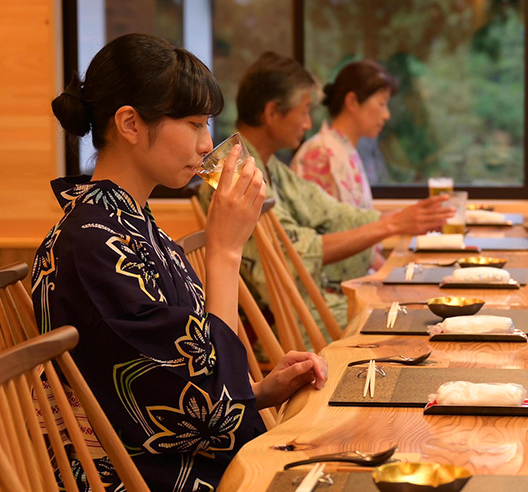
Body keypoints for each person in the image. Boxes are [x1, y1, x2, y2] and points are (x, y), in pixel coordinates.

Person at [33, 34, 328, 491]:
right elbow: (209, 415)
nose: (206, 144)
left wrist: (259, 390)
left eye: (207, 125)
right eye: (193, 124)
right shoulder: (92, 246)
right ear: (130, 123)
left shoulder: (127, 225)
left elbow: (192, 384)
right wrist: (226, 251)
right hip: (142, 478)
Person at [199, 52, 454, 330]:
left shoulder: (269, 166)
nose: (308, 123)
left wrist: (398, 221)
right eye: (305, 110)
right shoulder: (230, 175)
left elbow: (334, 214)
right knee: (414, 320)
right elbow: (288, 255)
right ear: (272, 113)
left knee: (419, 310)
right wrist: (392, 224)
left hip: (306, 304)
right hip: (284, 323)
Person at [291, 59, 396, 270]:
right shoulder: (320, 154)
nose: (387, 114)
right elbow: (330, 240)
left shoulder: (344, 150)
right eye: (382, 103)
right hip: (333, 283)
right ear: (352, 102)